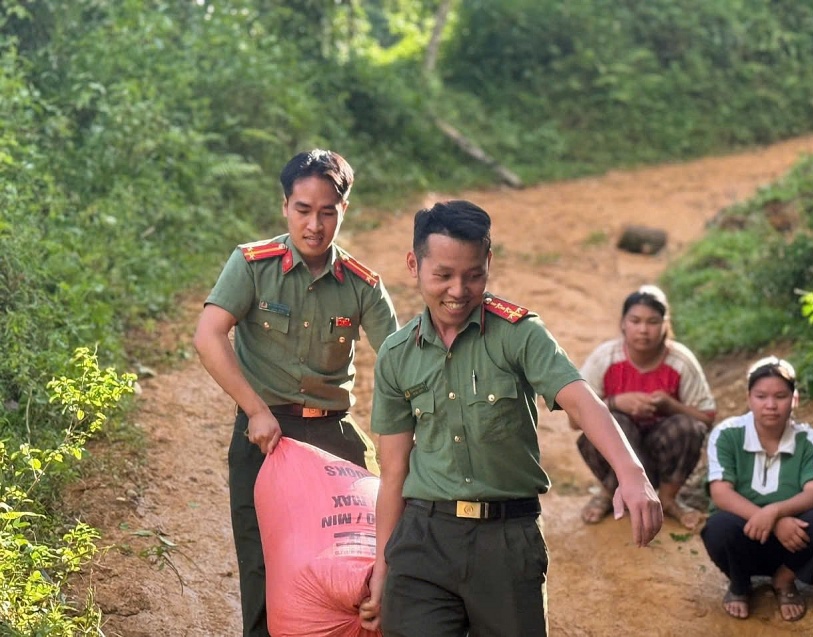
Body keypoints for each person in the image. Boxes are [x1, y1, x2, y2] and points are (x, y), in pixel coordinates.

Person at [358, 200, 663, 636]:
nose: (458, 290)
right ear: (414, 264)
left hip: (505, 541)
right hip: (423, 540)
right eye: (443, 275)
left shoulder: (519, 334)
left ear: (488, 264)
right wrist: (382, 566)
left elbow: (581, 401)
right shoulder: (396, 355)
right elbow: (393, 474)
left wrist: (632, 474)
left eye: (474, 275)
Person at [193, 149, 399, 637]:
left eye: (327, 212)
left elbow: (400, 359)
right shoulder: (251, 265)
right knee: (263, 561)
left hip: (333, 437)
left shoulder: (364, 285)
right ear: (285, 205)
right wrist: (255, 410)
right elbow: (208, 336)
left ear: (342, 211)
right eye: (303, 209)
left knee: (348, 561)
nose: (314, 224)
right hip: (265, 437)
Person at [701, 356, 813, 622]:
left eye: (780, 396)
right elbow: (720, 493)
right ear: (749, 398)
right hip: (745, 537)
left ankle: (784, 580)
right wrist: (772, 521)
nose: (771, 405)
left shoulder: (808, 439)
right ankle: (739, 586)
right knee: (718, 527)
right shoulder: (727, 433)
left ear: (794, 399)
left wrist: (775, 511)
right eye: (761, 396)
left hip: (791, 543)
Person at [575, 284, 716, 530]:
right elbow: (574, 419)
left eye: (652, 321)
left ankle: (669, 498)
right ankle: (609, 492)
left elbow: (706, 419)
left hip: (661, 452)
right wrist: (616, 403)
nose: (643, 330)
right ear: (623, 323)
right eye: (635, 320)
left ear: (665, 325)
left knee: (689, 428)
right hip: (620, 453)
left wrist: (671, 406)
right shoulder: (604, 358)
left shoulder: (681, 361)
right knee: (610, 422)